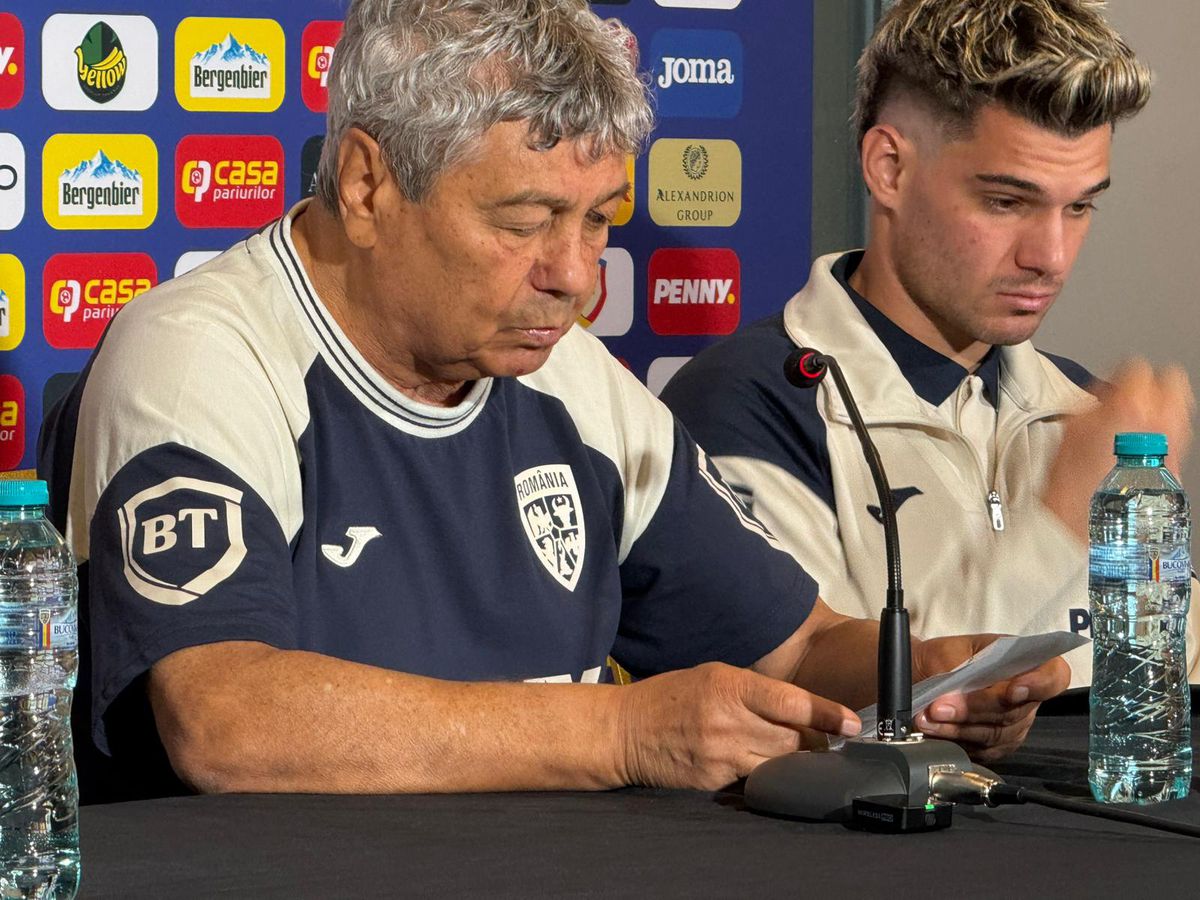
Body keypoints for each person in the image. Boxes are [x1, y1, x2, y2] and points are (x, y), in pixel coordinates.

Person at [38, 0, 1065, 803]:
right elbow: (223, 719)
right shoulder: (202, 353)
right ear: (365, 185)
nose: (575, 278)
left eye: (598, 222)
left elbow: (790, 645)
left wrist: (922, 681)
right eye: (527, 221)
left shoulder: (568, 380)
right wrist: (621, 734)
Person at [661, 0, 1197, 689]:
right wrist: (1064, 520)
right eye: (1007, 203)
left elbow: (1167, 693)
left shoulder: (1083, 410)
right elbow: (825, 712)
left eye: (1080, 206)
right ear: (888, 167)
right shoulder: (747, 405)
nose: (1052, 256)